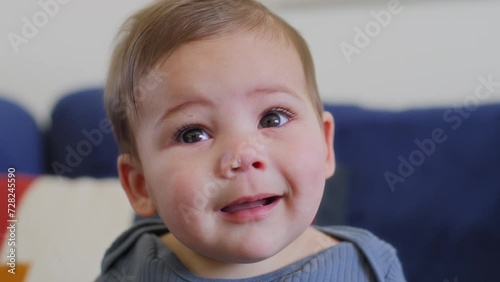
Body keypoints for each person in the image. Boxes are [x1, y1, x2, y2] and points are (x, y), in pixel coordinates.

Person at [96, 0, 406, 281]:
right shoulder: (131, 270)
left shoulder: (370, 268)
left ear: (325, 145)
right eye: (193, 134)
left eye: (272, 118)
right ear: (139, 184)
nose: (244, 155)